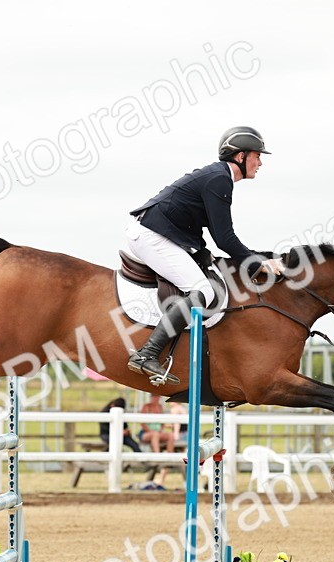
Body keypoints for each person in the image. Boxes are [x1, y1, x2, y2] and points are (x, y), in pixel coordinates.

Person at [124, 126, 284, 382]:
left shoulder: (218, 176)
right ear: (240, 157)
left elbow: (209, 232)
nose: (260, 162)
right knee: (205, 291)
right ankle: (147, 354)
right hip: (152, 236)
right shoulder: (219, 180)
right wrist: (258, 263)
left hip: (162, 233)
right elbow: (225, 239)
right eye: (257, 155)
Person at [139, 393, 178, 487]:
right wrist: (151, 431)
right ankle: (158, 456)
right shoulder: (146, 407)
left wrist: (165, 427)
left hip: (157, 432)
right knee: (155, 435)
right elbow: (142, 423)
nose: (155, 399)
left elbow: (162, 422)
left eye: (157, 397)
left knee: (170, 435)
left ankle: (170, 456)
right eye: (154, 397)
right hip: (146, 433)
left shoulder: (160, 407)